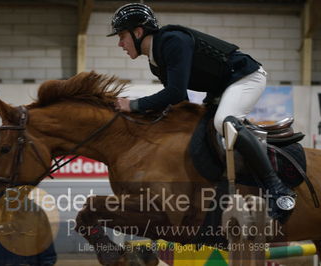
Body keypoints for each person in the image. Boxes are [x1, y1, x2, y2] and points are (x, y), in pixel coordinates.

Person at [107, 3, 296, 222]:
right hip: (222, 87)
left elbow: (176, 93)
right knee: (199, 129)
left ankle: (277, 188)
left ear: (138, 32)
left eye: (122, 36)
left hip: (246, 77)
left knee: (223, 122)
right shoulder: (155, 62)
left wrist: (134, 105)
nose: (120, 44)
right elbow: (182, 104)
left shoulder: (172, 41)